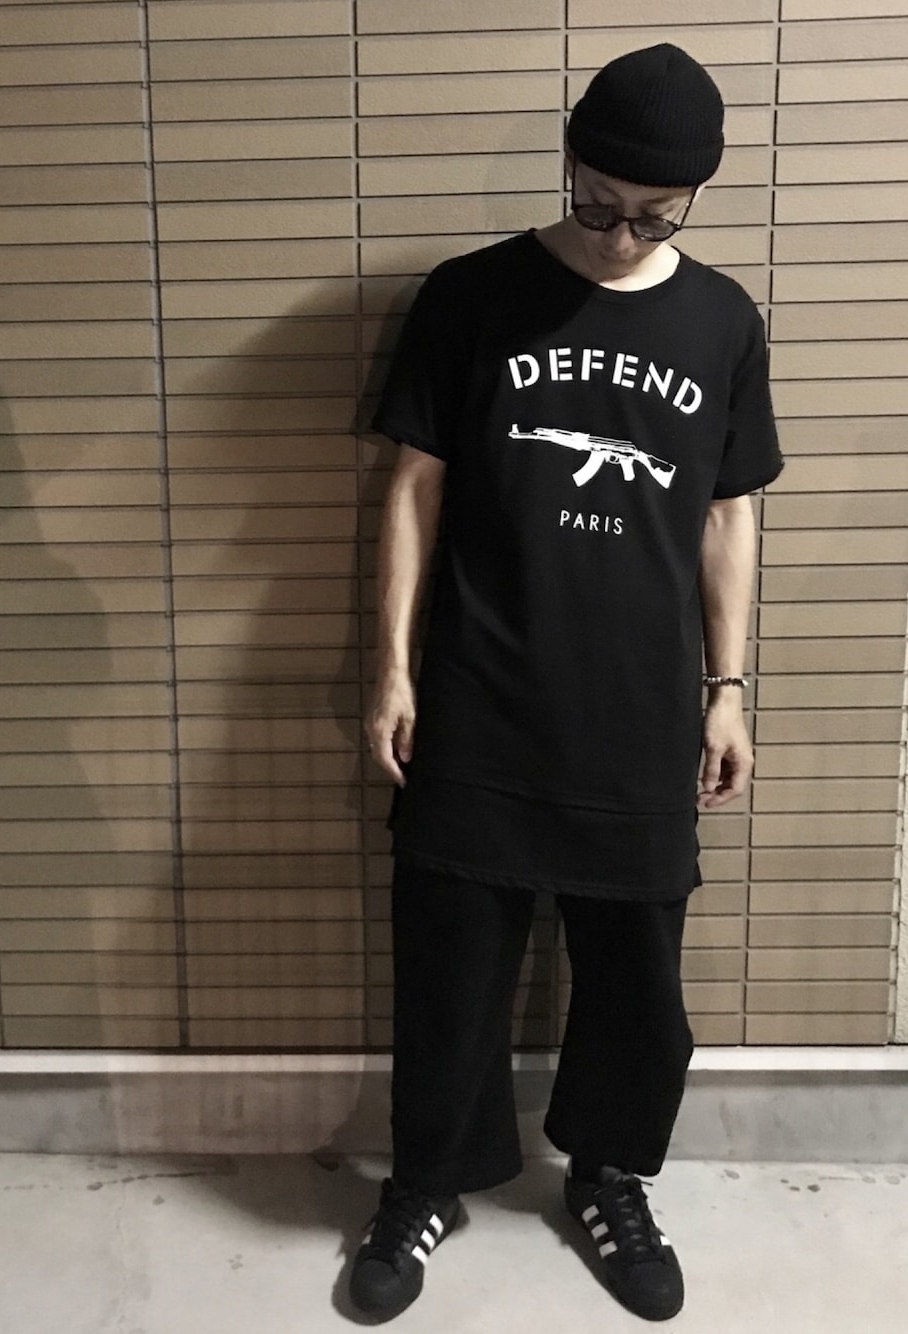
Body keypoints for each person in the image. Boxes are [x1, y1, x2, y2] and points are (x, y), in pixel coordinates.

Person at [350, 43, 783, 1324]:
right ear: (568, 159)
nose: (618, 234)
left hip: (641, 707)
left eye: (653, 216)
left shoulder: (721, 321)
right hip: (479, 688)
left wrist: (726, 686)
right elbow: (413, 487)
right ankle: (426, 1177)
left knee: (638, 976)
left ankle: (607, 1174)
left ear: (693, 198)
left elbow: (728, 511)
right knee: (449, 962)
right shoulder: (470, 295)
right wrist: (390, 667)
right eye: (597, 203)